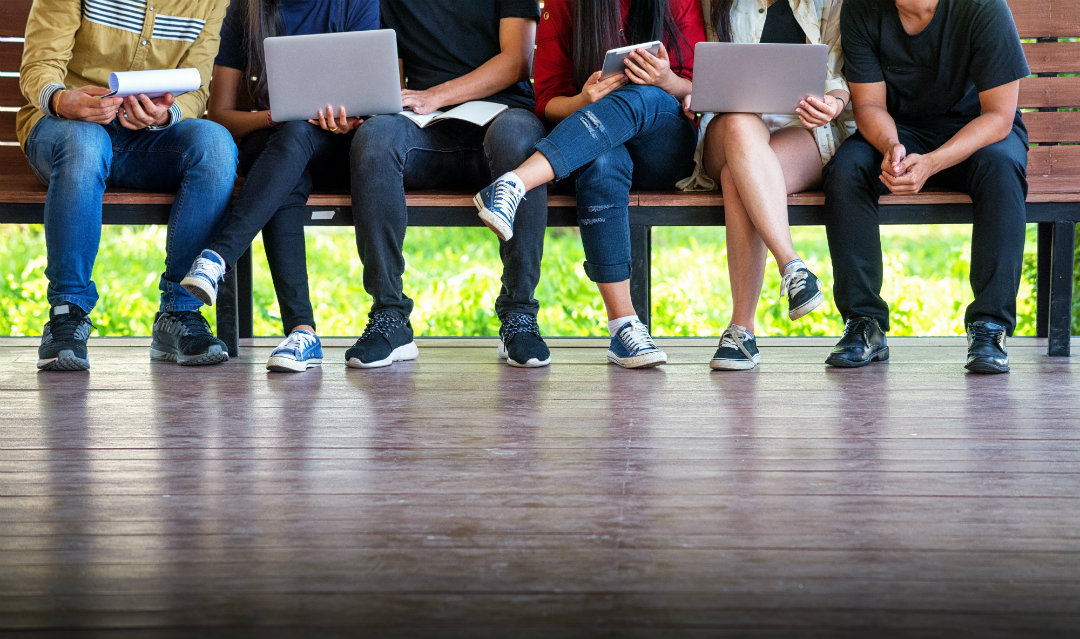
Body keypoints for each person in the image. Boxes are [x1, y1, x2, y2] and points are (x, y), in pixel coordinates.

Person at [475, 0, 706, 368]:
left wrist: (666, 81)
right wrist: (584, 100)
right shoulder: (565, 5)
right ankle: (624, 327)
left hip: (664, 147)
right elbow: (547, 101)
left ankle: (515, 182)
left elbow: (703, 86)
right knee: (601, 160)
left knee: (643, 96)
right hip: (591, 143)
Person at [19, 0, 238, 371]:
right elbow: (39, 65)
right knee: (87, 144)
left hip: (148, 139)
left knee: (215, 145)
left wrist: (166, 114)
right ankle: (66, 315)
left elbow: (196, 90)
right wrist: (61, 100)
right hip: (64, 132)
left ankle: (180, 312)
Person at [822, 0, 1029, 374]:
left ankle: (989, 326)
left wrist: (933, 162)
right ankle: (863, 323)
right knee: (847, 169)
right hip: (900, 130)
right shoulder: (861, 8)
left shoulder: (983, 7)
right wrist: (890, 146)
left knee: (1002, 168)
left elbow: (999, 116)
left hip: (977, 131)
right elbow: (868, 104)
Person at [347, 0, 551, 369]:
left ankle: (520, 313)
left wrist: (436, 96)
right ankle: (389, 316)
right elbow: (389, 78)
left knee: (520, 140)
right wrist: (373, 105)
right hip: (427, 131)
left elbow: (517, 60)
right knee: (375, 138)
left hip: (502, 119)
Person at [178, 0, 379, 373]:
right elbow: (220, 116)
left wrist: (350, 122)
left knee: (294, 143)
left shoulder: (355, 3)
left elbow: (373, 103)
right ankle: (302, 334)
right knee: (291, 147)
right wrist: (274, 116)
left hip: (339, 150)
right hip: (274, 145)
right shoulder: (247, 9)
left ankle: (218, 257)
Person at [694, 0, 852, 371]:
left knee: (740, 176)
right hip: (731, 124)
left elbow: (842, 76)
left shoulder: (829, 2)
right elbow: (707, 71)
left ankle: (741, 330)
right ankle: (792, 265)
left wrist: (832, 102)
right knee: (739, 130)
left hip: (801, 128)